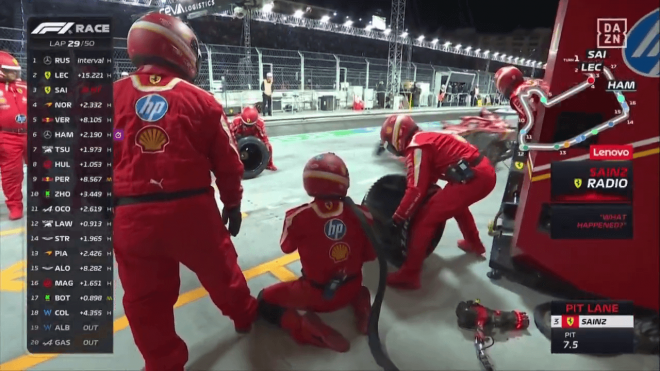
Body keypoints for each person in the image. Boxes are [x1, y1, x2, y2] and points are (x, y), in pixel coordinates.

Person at [112, 12, 258, 371]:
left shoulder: (106, 98)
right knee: (223, 273)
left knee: (145, 300)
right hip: (191, 212)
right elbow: (228, 161)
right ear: (178, 47)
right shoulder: (202, 101)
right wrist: (233, 202)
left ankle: (163, 363)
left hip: (130, 216)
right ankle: (244, 316)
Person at [257, 152, 375, 352]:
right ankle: (363, 310)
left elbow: (286, 247)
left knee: (263, 300)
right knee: (361, 289)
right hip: (352, 286)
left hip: (316, 295)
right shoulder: (363, 214)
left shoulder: (297, 217)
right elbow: (371, 255)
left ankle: (301, 326)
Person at [379, 115, 497, 290]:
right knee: (457, 206)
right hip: (482, 172)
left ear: (398, 137)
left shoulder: (417, 147)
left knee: (426, 219)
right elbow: (429, 178)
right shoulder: (428, 137)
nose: (391, 149)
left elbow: (416, 190)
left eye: (390, 144)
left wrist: (398, 218)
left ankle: (410, 274)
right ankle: (474, 244)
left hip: (474, 177)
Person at [0, 51, 27, 220]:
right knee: (12, 174)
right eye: (11, 70)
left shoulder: (24, 86)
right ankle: (15, 205)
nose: (15, 73)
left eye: (16, 70)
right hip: (7, 137)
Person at [230, 106, 277, 170]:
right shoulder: (236, 121)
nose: (248, 127)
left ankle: (269, 164)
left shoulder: (260, 123)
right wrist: (233, 144)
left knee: (269, 147)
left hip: (254, 136)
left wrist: (266, 145)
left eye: (250, 125)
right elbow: (230, 134)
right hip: (239, 136)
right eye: (246, 125)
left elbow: (264, 137)